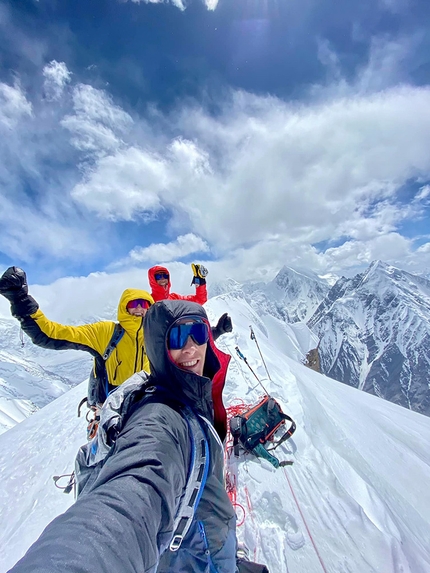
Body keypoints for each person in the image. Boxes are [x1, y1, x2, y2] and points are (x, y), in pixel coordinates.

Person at [8, 300, 237, 573]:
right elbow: (132, 498)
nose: (190, 346)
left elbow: (187, 338)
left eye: (198, 335)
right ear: (157, 342)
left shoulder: (178, 360)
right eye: (132, 304)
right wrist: (22, 303)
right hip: (147, 418)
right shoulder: (108, 334)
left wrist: (214, 331)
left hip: (166, 398)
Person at [0, 266, 154, 407]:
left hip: (146, 402)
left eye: (144, 304)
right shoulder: (106, 332)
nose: (139, 308)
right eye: (134, 304)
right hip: (110, 405)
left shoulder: (156, 335)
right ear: (124, 307)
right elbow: (51, 333)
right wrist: (20, 300)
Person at [149, 264, 233, 340]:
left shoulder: (175, 298)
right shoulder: (148, 302)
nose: (163, 278)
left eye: (165, 275)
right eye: (159, 276)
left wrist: (200, 281)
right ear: (152, 279)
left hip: (180, 343)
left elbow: (200, 299)